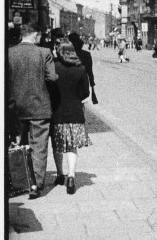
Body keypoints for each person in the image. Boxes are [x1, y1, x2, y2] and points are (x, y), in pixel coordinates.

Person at [6, 23, 58, 199]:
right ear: (35, 35)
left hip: (15, 107)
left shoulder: (10, 52)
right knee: (39, 147)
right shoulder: (44, 53)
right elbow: (52, 77)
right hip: (39, 106)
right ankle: (35, 185)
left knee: (17, 144)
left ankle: (19, 182)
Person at [50, 38, 92, 195]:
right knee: (71, 145)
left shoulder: (54, 67)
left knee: (57, 145)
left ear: (59, 51)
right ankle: (72, 176)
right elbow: (85, 93)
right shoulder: (80, 68)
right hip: (75, 112)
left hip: (57, 112)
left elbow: (49, 88)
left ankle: (60, 175)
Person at [68, 32, 97, 104]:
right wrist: (92, 84)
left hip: (70, 82)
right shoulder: (86, 54)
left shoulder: (67, 54)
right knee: (80, 104)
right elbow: (90, 71)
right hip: (82, 83)